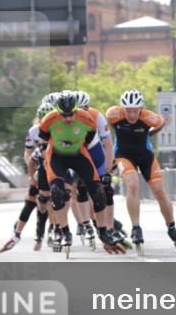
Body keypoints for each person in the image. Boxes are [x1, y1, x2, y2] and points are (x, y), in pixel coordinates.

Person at [106, 89, 176, 253]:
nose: (131, 115)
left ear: (141, 109)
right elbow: (106, 133)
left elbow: (161, 123)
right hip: (123, 156)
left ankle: (172, 228)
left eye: (135, 111)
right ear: (122, 108)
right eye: (128, 111)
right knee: (132, 185)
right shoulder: (113, 114)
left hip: (145, 155)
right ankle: (136, 227)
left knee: (159, 191)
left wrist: (149, 133)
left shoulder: (149, 117)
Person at [38, 93, 117, 257]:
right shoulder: (48, 121)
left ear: (76, 111)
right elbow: (44, 142)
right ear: (58, 113)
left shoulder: (88, 119)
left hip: (79, 155)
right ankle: (64, 230)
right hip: (57, 158)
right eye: (64, 115)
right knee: (57, 192)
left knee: (98, 192)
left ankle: (103, 231)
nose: (68, 118)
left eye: (71, 114)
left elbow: (89, 140)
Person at [0, 99, 56, 253]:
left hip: (55, 167)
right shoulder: (33, 131)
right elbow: (28, 153)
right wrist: (32, 173)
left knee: (52, 202)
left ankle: (51, 231)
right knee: (32, 201)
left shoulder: (59, 128)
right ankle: (17, 234)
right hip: (40, 165)